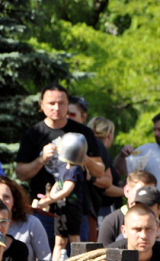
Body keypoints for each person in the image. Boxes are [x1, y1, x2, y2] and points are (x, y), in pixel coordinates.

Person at [15, 84, 105, 248]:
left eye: (62, 103)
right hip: (43, 211)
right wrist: (41, 159)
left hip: (76, 210)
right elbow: (21, 173)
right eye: (51, 103)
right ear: (41, 105)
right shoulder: (33, 134)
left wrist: (83, 158)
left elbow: (100, 170)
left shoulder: (83, 132)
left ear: (67, 104)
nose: (57, 107)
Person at [1, 177, 53, 261]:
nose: (1, 200)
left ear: (14, 200)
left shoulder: (32, 223)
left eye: (6, 196)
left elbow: (45, 260)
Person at [67, 96, 114, 241]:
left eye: (72, 114)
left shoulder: (93, 143)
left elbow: (107, 180)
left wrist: (90, 174)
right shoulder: (53, 136)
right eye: (66, 114)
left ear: (84, 117)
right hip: (55, 209)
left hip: (85, 211)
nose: (68, 118)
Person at [98, 170, 160, 246]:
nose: (143, 236)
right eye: (136, 229)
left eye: (151, 191)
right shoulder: (112, 221)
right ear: (124, 231)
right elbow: (102, 254)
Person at [37, 133, 85, 261]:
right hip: (60, 208)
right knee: (60, 240)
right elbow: (57, 185)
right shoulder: (64, 168)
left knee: (74, 238)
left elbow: (66, 190)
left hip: (72, 209)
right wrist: (48, 199)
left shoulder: (75, 170)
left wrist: (50, 200)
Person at [87, 116, 124, 221]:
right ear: (109, 134)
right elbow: (105, 186)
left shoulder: (92, 150)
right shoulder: (98, 151)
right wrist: (127, 192)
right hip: (101, 210)